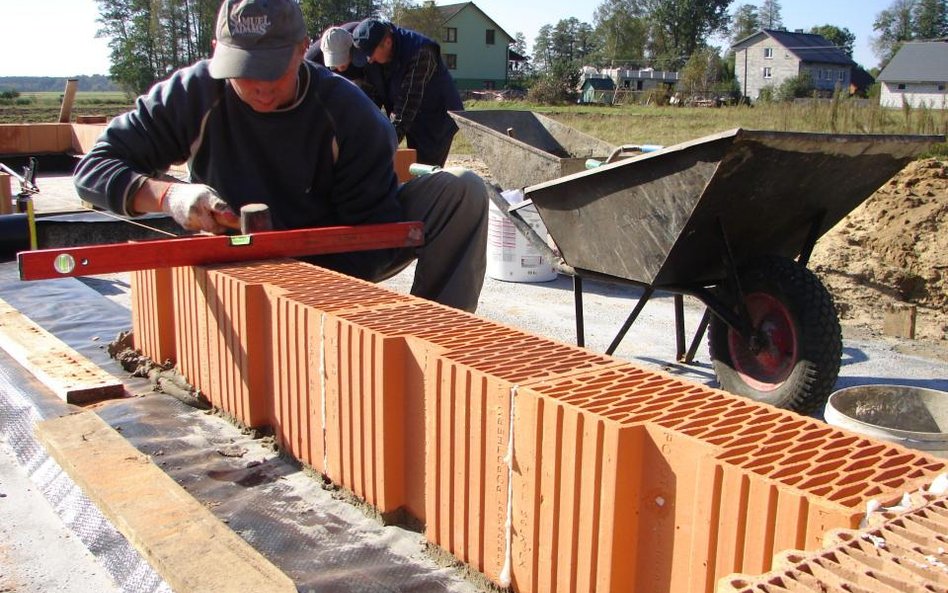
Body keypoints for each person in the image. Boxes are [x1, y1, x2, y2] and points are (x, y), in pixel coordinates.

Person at [73, 0, 487, 312]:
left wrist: (304, 301)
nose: (262, 87)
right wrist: (170, 197)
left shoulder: (350, 115)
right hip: (234, 253)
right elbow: (94, 170)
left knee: (462, 191)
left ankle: (440, 340)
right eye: (244, 69)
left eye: (275, 69)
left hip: (332, 253)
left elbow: (368, 246)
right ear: (218, 51)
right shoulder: (192, 94)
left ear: (302, 49)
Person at [351, 18, 463, 167]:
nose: (369, 60)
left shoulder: (421, 51)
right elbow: (371, 97)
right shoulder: (374, 56)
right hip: (412, 117)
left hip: (435, 120)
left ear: (388, 43)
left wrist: (384, 146)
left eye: (371, 54)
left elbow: (407, 106)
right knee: (409, 166)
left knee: (425, 170)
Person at [304, 23, 383, 105]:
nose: (339, 67)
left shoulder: (364, 45)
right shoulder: (311, 61)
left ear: (351, 49)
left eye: (341, 59)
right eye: (334, 62)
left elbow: (379, 85)